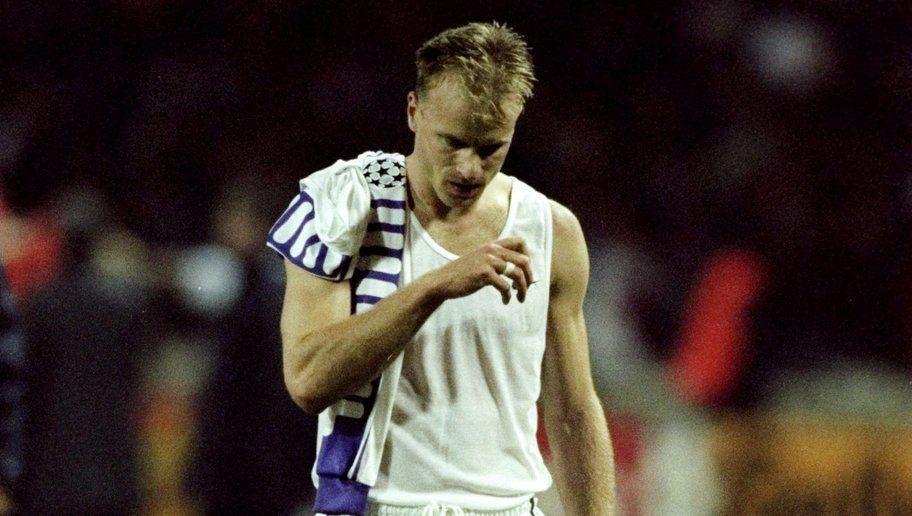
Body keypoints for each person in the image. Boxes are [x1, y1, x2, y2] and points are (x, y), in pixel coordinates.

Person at [269, 22, 615, 515]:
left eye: (490, 147)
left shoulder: (551, 231)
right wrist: (436, 286)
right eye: (451, 142)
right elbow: (308, 380)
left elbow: (573, 412)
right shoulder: (344, 206)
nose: (469, 168)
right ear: (414, 112)